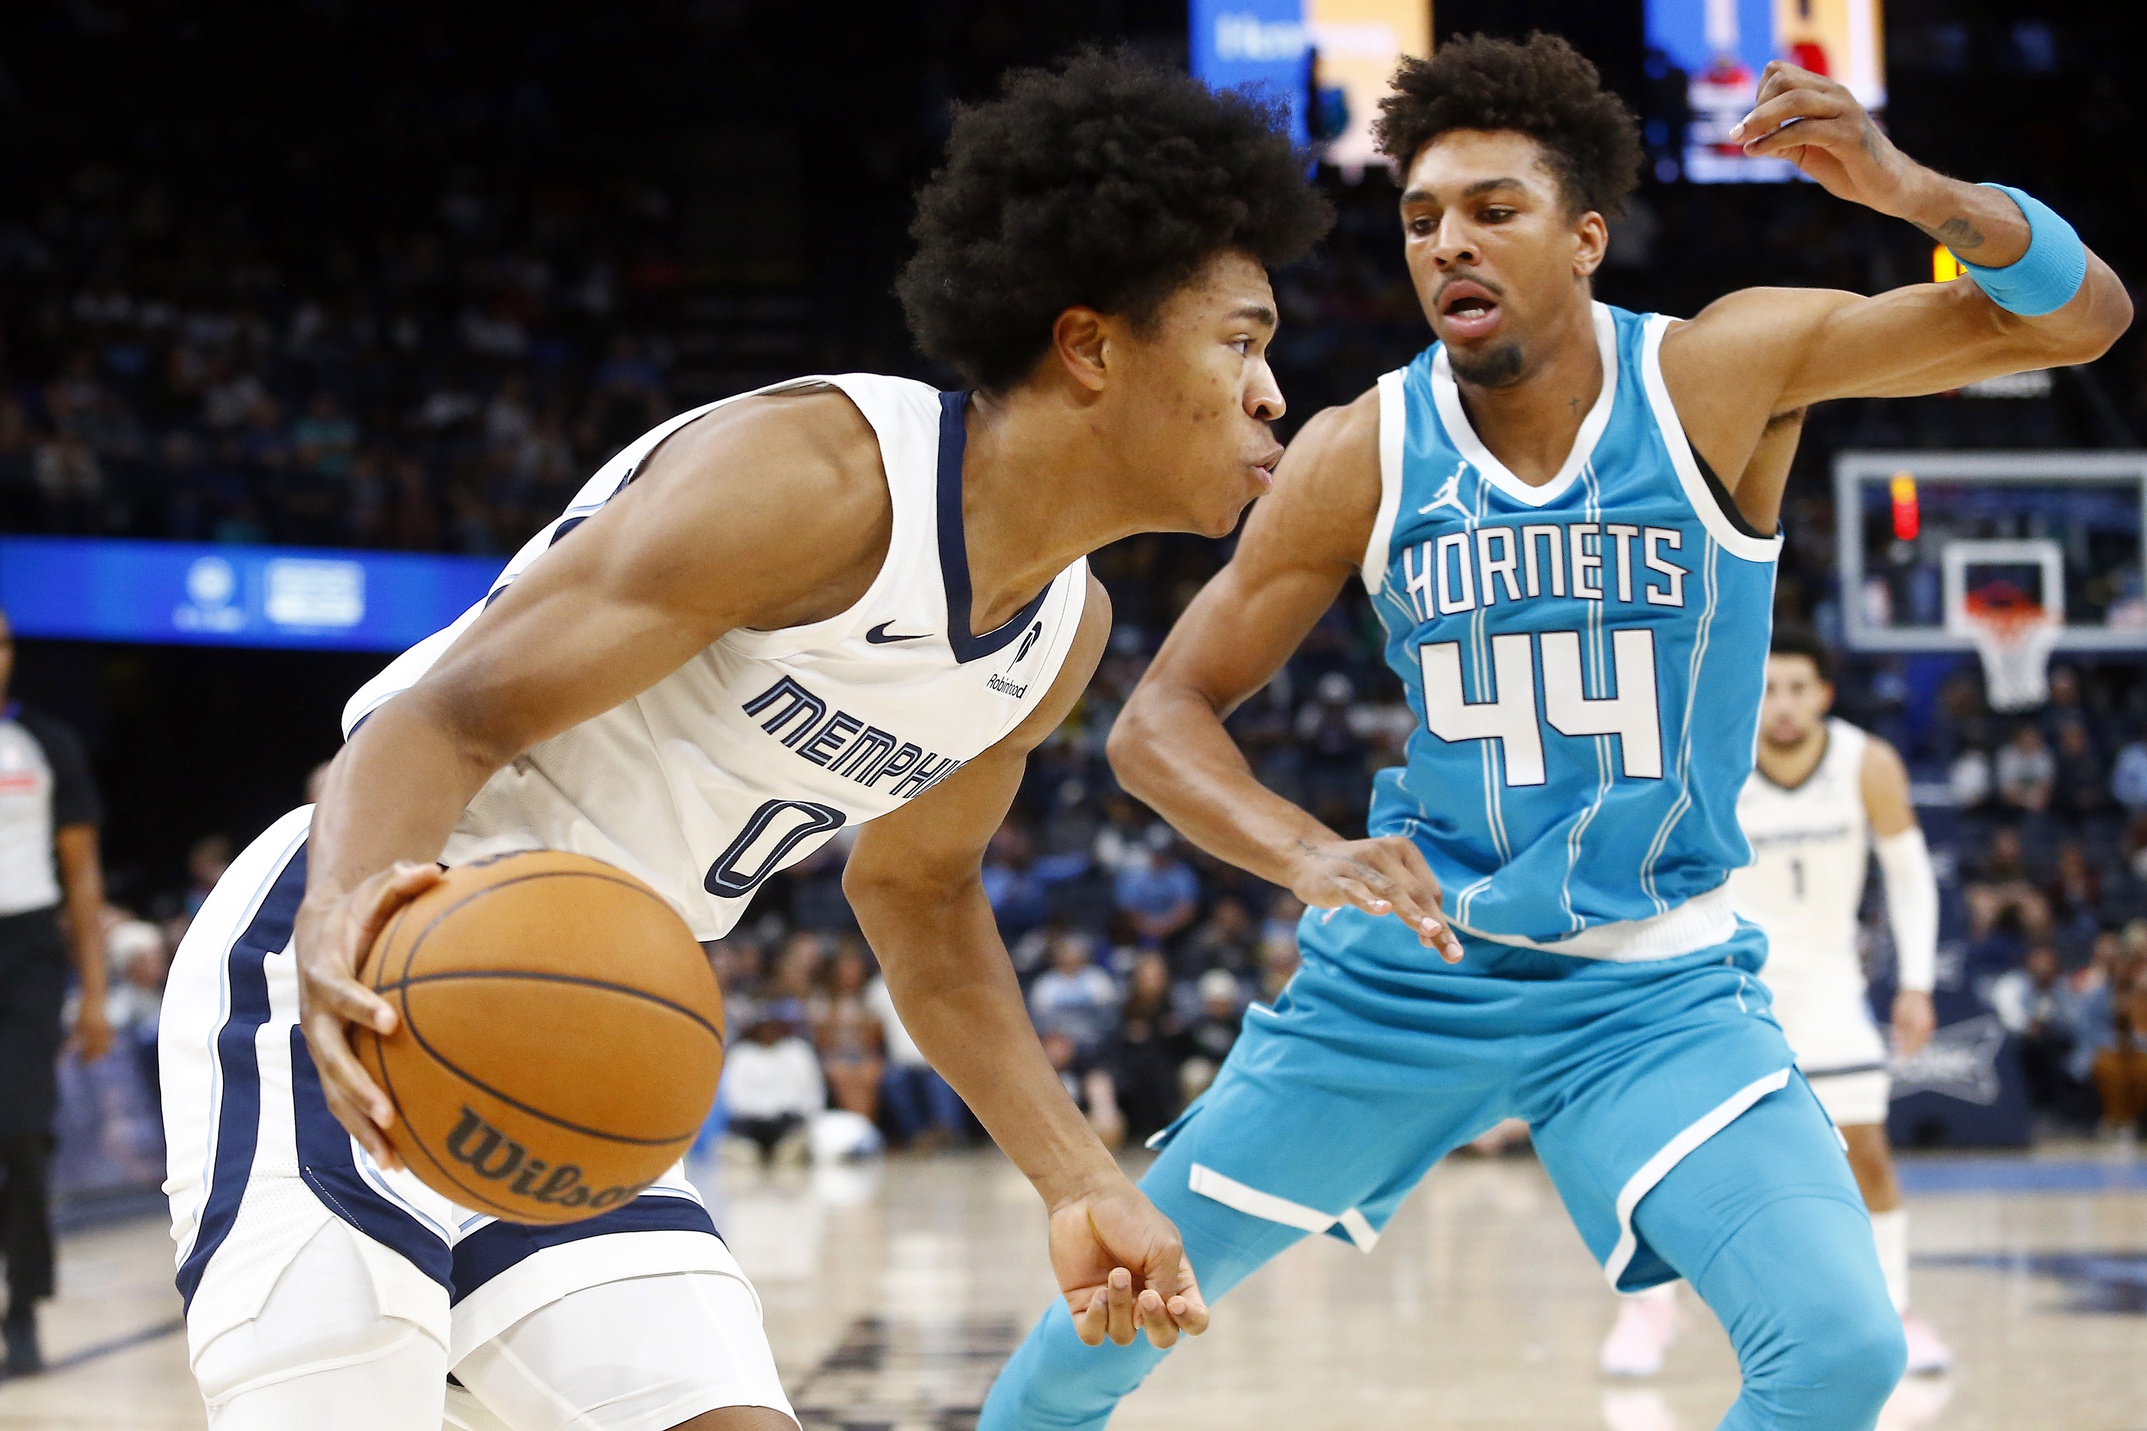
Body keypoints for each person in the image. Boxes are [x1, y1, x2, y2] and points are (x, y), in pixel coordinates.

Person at [157, 52, 1331, 1431]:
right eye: (1237, 340)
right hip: (369, 951)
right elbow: (439, 713)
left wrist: (1078, 1174)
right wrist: (345, 951)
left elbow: (918, 894)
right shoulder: (820, 480)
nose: (1269, 392)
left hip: (568, 1027)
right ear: (1088, 344)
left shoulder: (1054, 633)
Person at [982, 33, 2128, 1431]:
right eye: (1417, 219)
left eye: (1490, 210)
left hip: (1651, 987)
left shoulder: (1718, 370)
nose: (1445, 243)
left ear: (1584, 236)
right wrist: (1301, 851)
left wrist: (1905, 190)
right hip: (1401, 980)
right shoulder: (1362, 448)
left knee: (1838, 1350)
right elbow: (1157, 717)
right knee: (1085, 1341)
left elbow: (2079, 320)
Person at [1599, 628, 1951, 1378]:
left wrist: (1915, 981)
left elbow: (1910, 878)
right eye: (1770, 688)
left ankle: (1892, 1305)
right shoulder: (1710, 757)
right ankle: (1650, 1309)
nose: (1783, 704)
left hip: (1828, 986)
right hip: (1725, 983)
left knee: (1869, 1158)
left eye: (1798, 687)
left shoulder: (1868, 762)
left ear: (1822, 694)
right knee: (1668, 1164)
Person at [0, 607, 112, 1377]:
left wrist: (96, 994)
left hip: (26, 952)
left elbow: (81, 874)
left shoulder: (46, 742)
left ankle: (24, 1310)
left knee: (20, 1132)